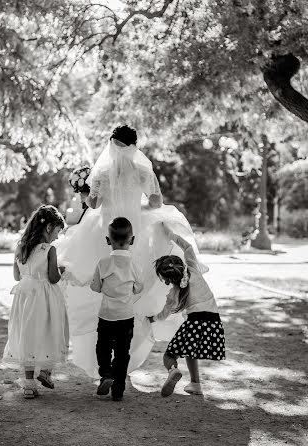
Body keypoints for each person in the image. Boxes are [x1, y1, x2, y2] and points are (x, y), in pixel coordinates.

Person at [57, 125, 206, 379]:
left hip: (104, 232)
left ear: (112, 144)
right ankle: (126, 356)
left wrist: (91, 189)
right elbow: (157, 201)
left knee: (98, 291)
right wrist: (138, 208)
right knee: (136, 288)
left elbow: (92, 203)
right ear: (134, 145)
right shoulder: (142, 169)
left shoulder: (102, 170)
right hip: (134, 232)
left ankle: (103, 360)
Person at [149, 224, 225, 397]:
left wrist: (150, 319)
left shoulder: (174, 292)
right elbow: (188, 247)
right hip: (213, 321)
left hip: (194, 323)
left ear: (167, 280)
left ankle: (172, 371)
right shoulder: (193, 268)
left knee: (169, 356)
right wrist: (171, 235)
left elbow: (164, 314)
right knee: (191, 351)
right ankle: (195, 384)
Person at [3, 205, 69, 399]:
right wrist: (61, 270)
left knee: (28, 335)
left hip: (24, 298)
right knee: (50, 330)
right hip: (45, 297)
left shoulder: (21, 247)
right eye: (57, 231)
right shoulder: (49, 250)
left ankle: (29, 385)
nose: (57, 237)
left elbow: (16, 276)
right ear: (49, 227)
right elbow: (53, 278)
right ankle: (46, 372)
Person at [90, 217, 143, 401]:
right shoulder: (134, 265)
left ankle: (106, 374)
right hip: (126, 316)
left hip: (106, 315)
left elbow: (95, 287)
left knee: (103, 348)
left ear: (107, 240)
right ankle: (118, 389)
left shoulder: (103, 263)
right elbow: (139, 287)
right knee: (122, 352)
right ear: (133, 240)